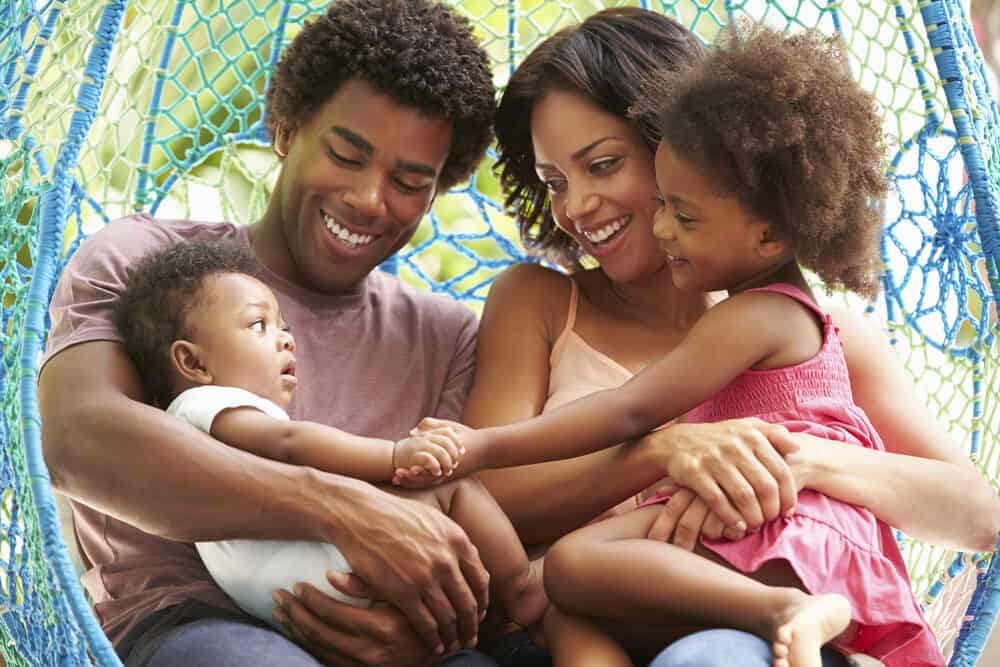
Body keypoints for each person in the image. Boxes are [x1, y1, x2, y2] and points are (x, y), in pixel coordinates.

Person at [438, 7, 1000, 666]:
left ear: (679, 146)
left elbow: (978, 514)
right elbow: (494, 495)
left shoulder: (818, 331)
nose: (576, 207)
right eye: (555, 182)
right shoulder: (540, 301)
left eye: (603, 164)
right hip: (570, 629)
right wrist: (666, 451)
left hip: (751, 630)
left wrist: (801, 461)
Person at [36, 1, 512, 665]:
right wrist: (337, 506)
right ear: (287, 129)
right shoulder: (147, 263)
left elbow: (475, 528)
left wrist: (429, 631)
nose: (370, 199)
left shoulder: (446, 337)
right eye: (347, 154)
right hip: (188, 624)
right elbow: (78, 437)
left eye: (409, 182)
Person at [113, 239, 546, 630]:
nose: (286, 340)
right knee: (451, 485)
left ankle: (487, 609)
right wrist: (396, 455)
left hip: (286, 594)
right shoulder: (205, 405)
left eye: (284, 326)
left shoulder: (200, 421)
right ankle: (522, 589)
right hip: (316, 572)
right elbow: (293, 446)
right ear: (193, 363)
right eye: (258, 326)